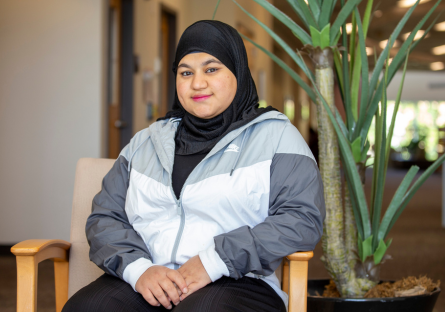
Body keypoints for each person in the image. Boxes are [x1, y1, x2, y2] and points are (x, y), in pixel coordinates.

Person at [62, 20, 326, 312]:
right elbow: (104, 217)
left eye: (211, 69)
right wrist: (138, 270)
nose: (197, 83)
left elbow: (302, 218)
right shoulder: (145, 142)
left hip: (237, 279)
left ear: (237, 72)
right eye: (186, 72)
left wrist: (214, 261)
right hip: (147, 277)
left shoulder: (276, 136)